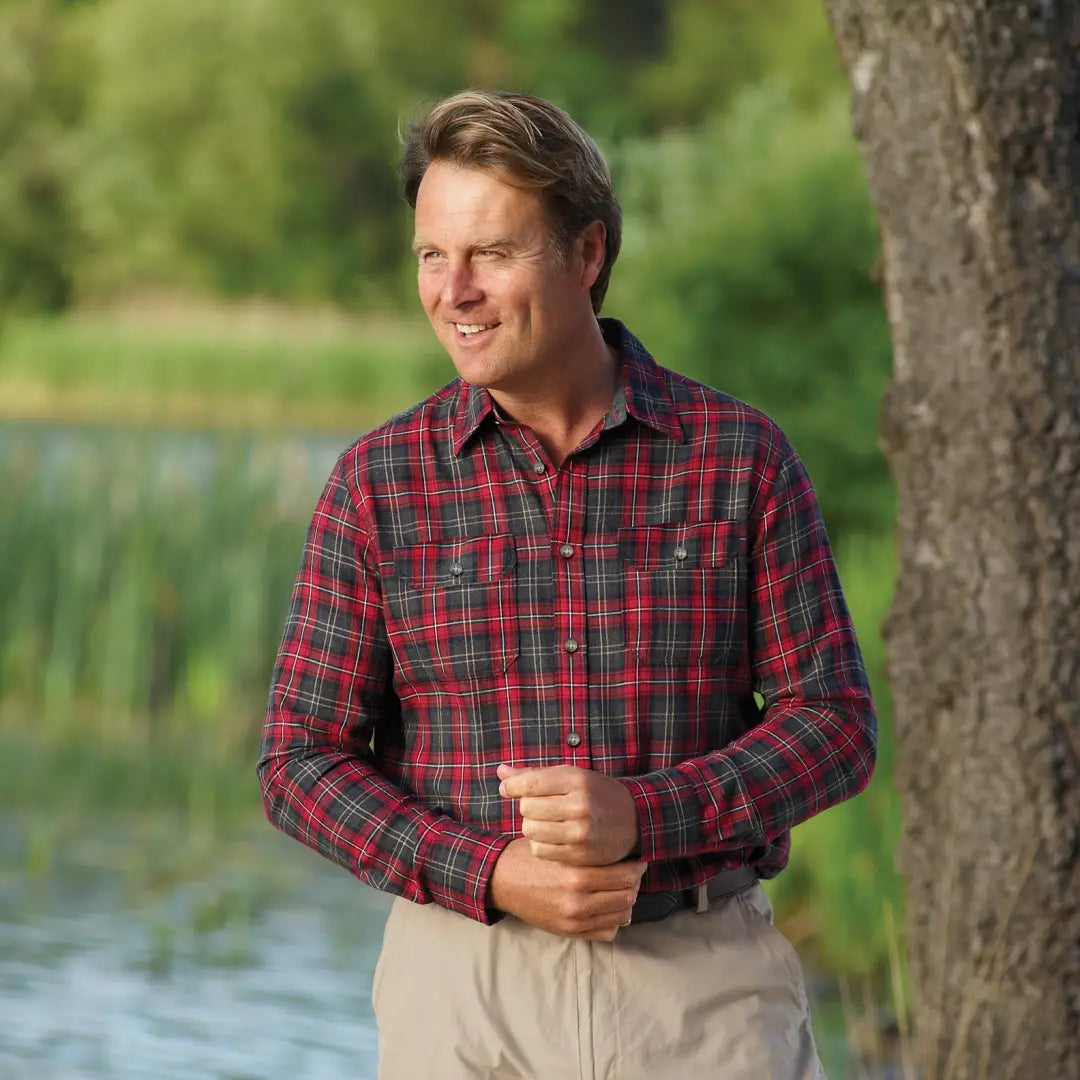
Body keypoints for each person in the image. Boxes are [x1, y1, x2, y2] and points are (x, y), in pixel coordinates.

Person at [258, 89, 876, 1080]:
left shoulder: (738, 458)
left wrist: (650, 814)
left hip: (701, 993)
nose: (452, 290)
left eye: (491, 254)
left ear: (587, 255)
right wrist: (491, 870)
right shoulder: (379, 484)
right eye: (430, 255)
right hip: (463, 994)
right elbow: (299, 761)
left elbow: (836, 725)